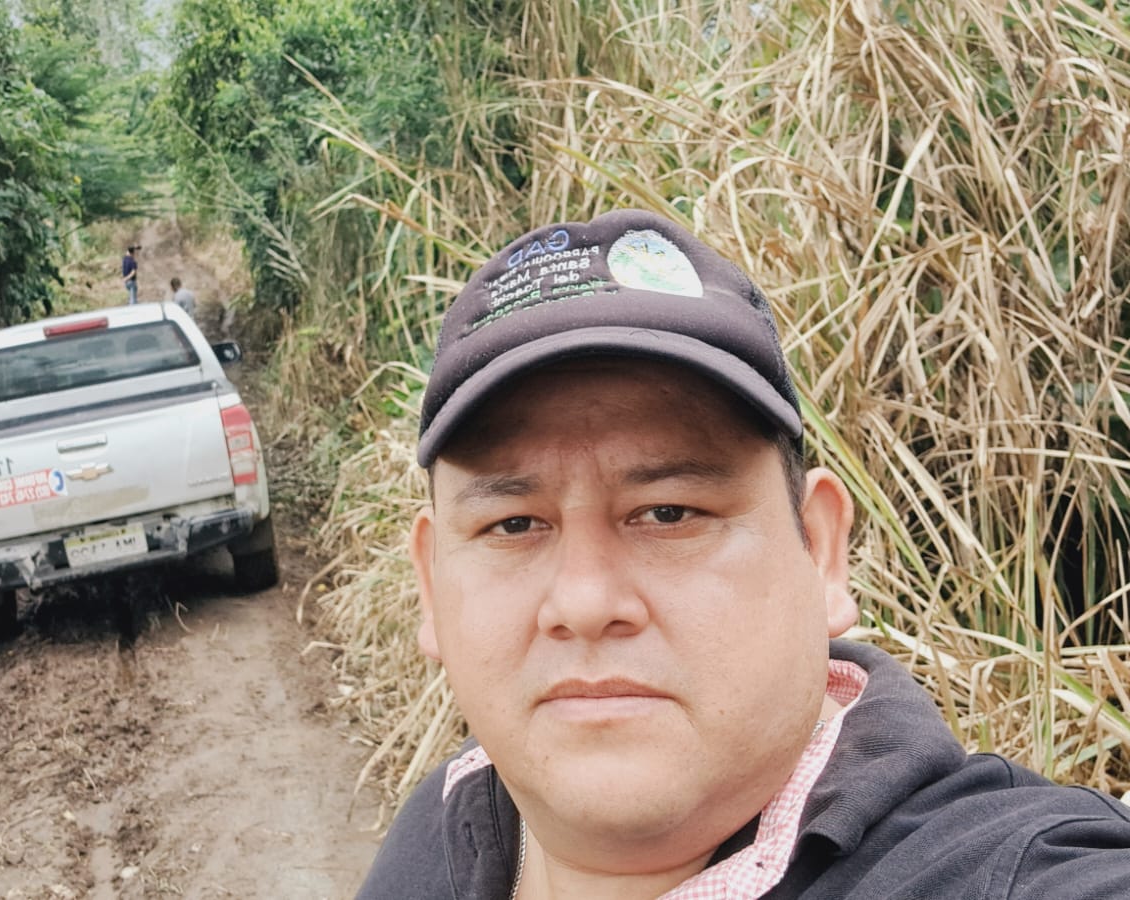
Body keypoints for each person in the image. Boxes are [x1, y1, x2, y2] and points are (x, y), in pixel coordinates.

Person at [357, 208, 1130, 899]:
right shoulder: (450, 815)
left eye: (668, 513)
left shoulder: (1008, 872)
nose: (585, 603)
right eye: (514, 524)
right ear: (432, 585)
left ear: (820, 552)